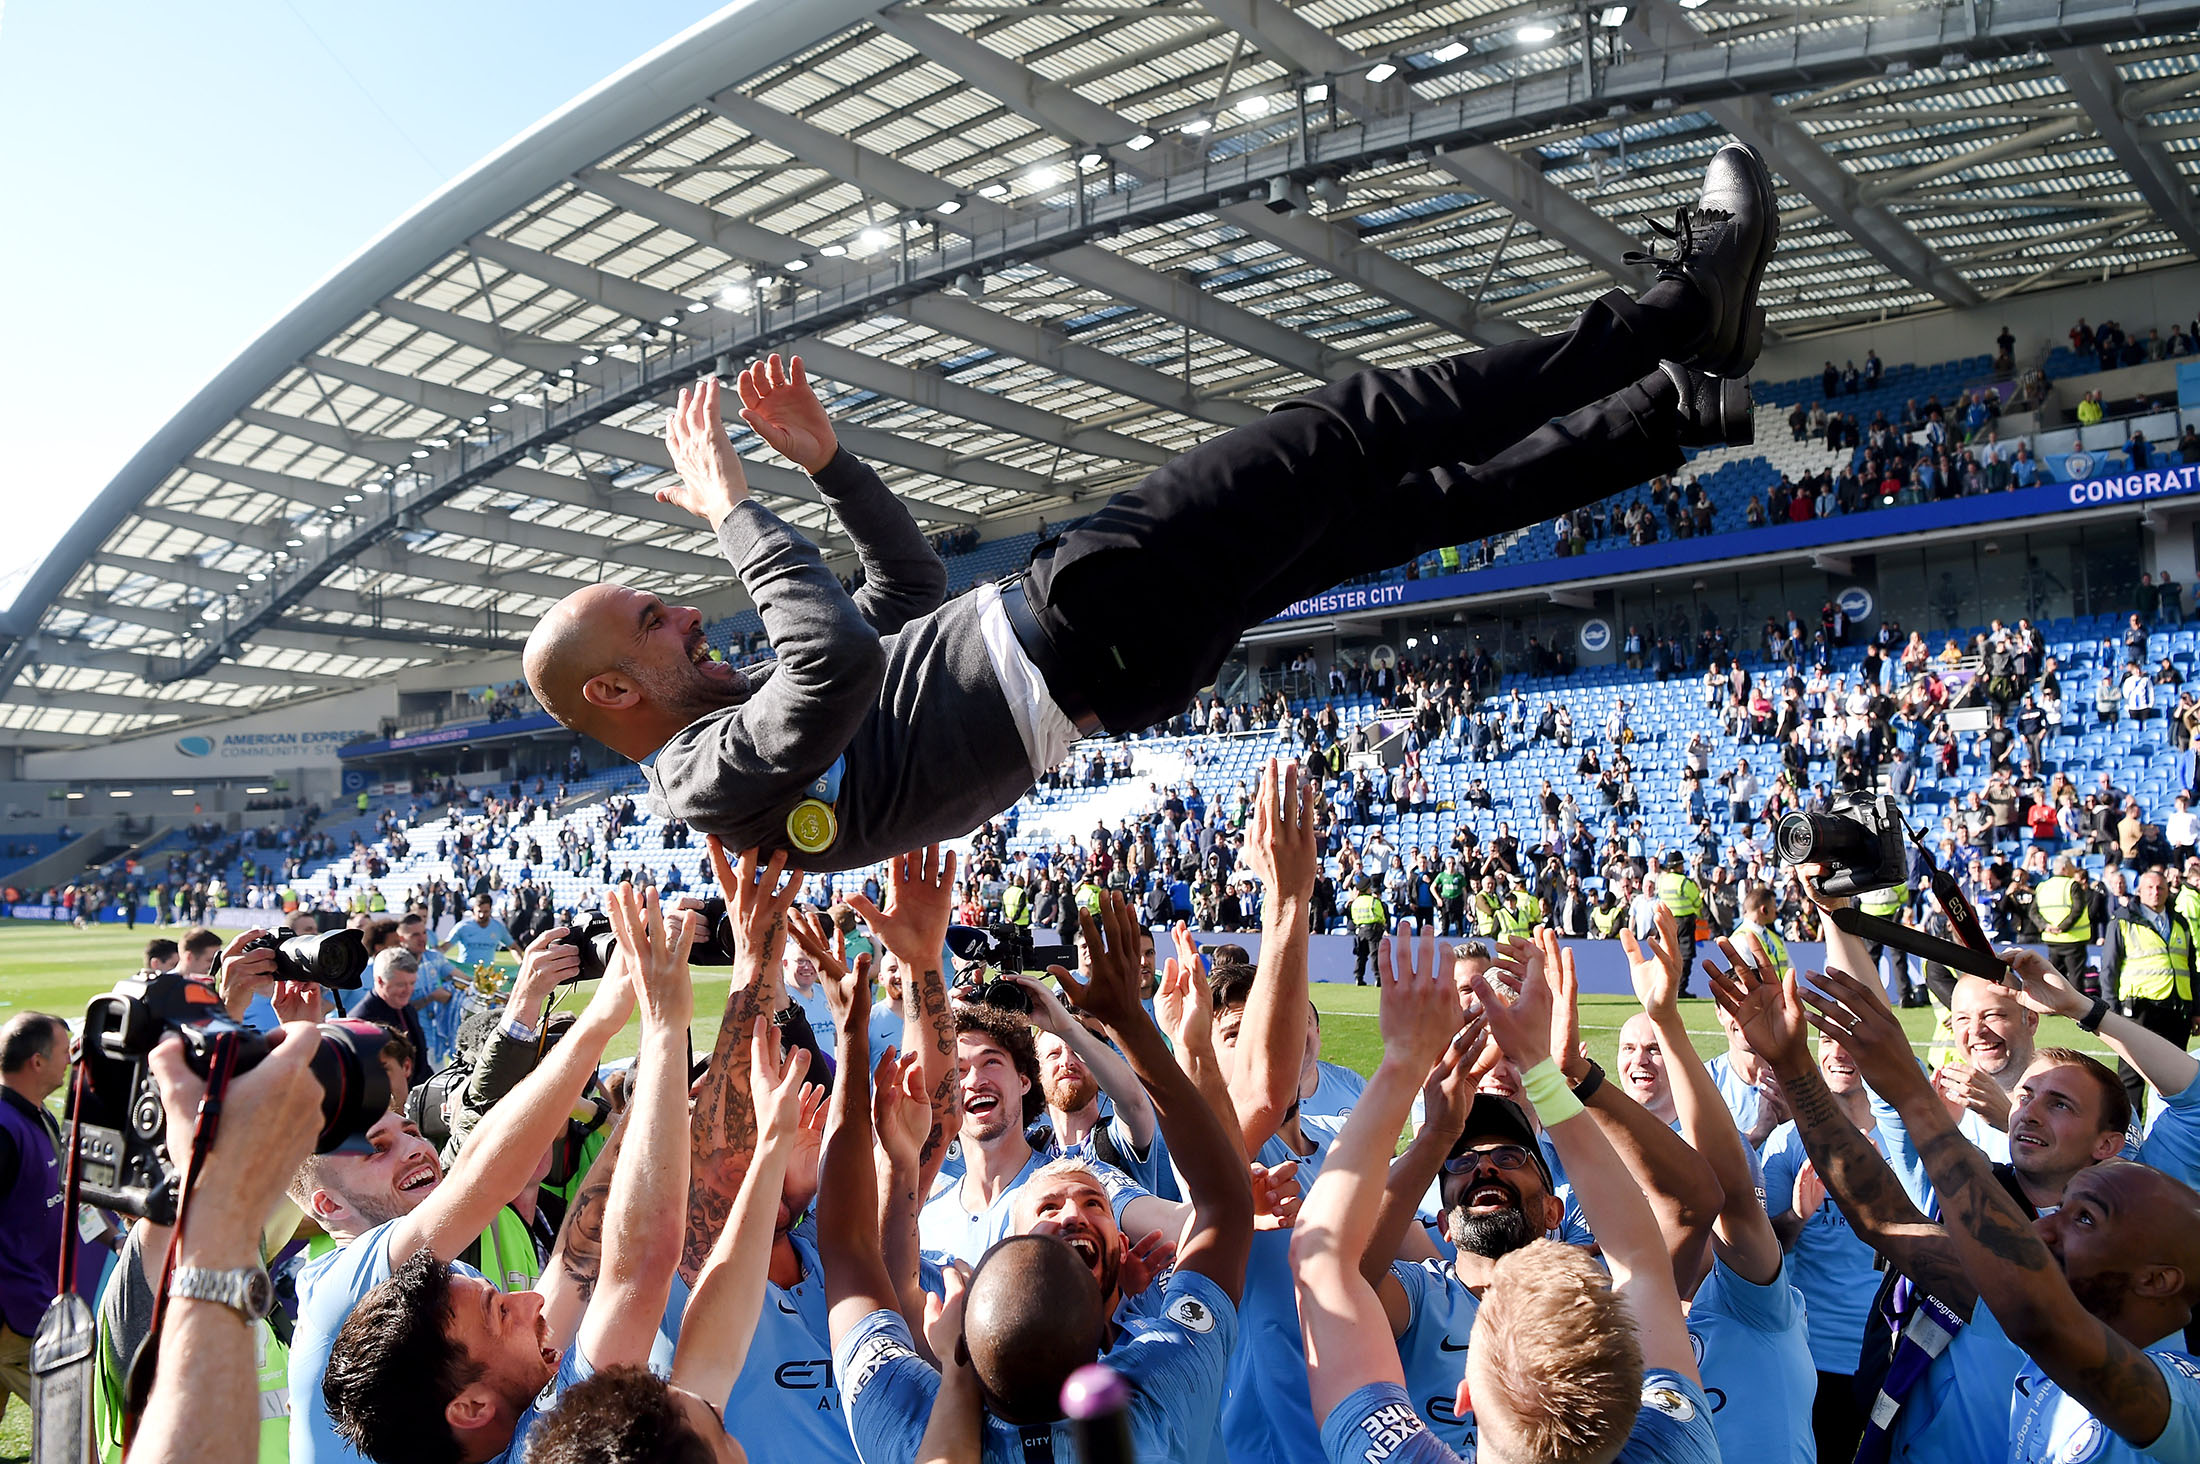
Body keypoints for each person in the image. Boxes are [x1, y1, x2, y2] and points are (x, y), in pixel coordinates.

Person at [522, 148, 1778, 872]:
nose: (685, 614)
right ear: (615, 691)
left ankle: (1666, 414)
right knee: (1352, 428)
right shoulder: (704, 777)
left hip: (1113, 652)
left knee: (1399, 508)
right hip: (1084, 620)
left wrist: (831, 468)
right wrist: (733, 511)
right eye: (651, 622)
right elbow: (839, 656)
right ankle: (1681, 312)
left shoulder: (742, 726)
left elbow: (900, 597)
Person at [825, 890, 1256, 1463]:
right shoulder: (1161, 1394)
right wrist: (1132, 1021)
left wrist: (853, 1041)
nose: (1072, 1210)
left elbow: (853, 1258)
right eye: (1050, 1208)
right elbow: (1224, 1210)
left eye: (1091, 1203)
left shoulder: (913, 1432)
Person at [1292, 926, 1722, 1464]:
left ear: (1466, 1397)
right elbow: (1641, 1259)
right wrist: (1543, 1069)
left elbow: (1325, 1267)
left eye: (1512, 1157)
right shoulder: (1672, 1441)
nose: (1485, 1165)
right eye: (1463, 1162)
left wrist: (1414, 1084)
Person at [316, 883, 695, 1464]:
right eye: (377, 1149)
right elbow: (636, 1269)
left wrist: (644, 1082)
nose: (531, 1300)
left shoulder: (515, 1418)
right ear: (470, 1408)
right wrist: (653, 1023)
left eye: (411, 1131)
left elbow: (577, 1262)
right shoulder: (341, 1301)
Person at [1798, 963, 2200, 1464]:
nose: (2041, 1233)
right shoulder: (1966, 1204)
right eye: (2025, 1096)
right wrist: (1793, 1062)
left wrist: (2084, 1009)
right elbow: (1883, 1213)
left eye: (2060, 1105)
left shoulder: (2139, 1213)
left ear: (2109, 1145)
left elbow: (2194, 1102)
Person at [0, 1011, 71, 1409]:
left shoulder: (38, 1115)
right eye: (65, 1052)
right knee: (75, 1428)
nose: (70, 1061)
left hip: (32, 1306)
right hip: (16, 1321)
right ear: (37, 1062)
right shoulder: (4, 1128)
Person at [2101, 864, 2196, 1118]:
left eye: (2160, 888)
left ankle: (2172, 1129)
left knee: (2175, 1077)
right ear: (2139, 891)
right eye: (2150, 888)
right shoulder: (2123, 920)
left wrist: (2196, 1009)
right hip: (2139, 1010)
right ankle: (2128, 1130)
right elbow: (2109, 969)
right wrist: (2110, 1012)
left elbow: (2190, 968)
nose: (2156, 892)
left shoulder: (2180, 922)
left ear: (2167, 891)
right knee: (2131, 1078)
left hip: (2176, 1010)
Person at [347, 949, 432, 1089]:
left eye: (412, 983)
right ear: (380, 981)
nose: (408, 990)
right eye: (401, 984)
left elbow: (421, 1062)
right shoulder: (362, 1022)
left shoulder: (407, 1008)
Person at [1652, 851, 1701, 998]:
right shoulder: (1684, 882)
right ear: (1679, 866)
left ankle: (1665, 987)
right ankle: (1680, 988)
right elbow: (1697, 902)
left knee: (1667, 953)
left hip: (1667, 921)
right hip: (1685, 922)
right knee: (1685, 955)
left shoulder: (1662, 881)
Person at [1350, 878, 1390, 985]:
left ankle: (1358, 977)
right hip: (1373, 930)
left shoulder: (1355, 903)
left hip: (1360, 930)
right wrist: (1382, 925)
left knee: (1361, 955)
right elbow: (1381, 916)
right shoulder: (1374, 901)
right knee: (1375, 954)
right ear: (1368, 889)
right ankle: (1378, 978)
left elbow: (1354, 918)